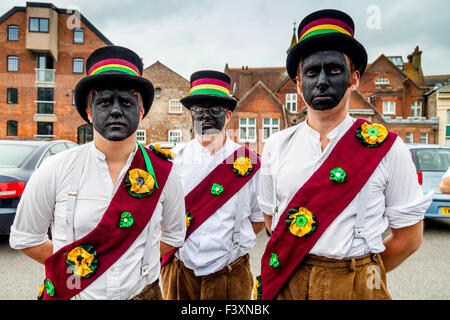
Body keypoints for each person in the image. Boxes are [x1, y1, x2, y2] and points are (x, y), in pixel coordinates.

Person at [255, 9, 433, 300]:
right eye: (311, 72)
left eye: (334, 70)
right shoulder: (276, 146)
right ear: (299, 84)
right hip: (289, 280)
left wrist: (358, 277)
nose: (322, 81)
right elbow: (271, 220)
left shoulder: (388, 148)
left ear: (354, 79)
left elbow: (409, 239)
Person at [9, 45, 186, 300]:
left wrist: (132, 260)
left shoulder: (165, 174)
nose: (115, 110)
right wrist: (81, 267)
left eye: (126, 102)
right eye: (104, 102)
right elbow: (26, 238)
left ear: (142, 111)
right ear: (89, 112)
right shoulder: (55, 169)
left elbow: (173, 235)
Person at [160, 70, 265, 300]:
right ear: (190, 116)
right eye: (199, 110)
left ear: (228, 115)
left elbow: (258, 220)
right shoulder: (173, 161)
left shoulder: (249, 163)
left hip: (230, 275)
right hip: (180, 273)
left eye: (215, 110)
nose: (206, 116)